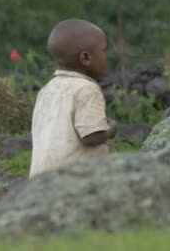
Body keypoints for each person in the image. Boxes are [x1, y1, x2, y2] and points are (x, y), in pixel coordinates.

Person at [29, 19, 117, 178]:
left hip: (39, 182)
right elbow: (91, 137)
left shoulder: (46, 90)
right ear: (86, 58)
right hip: (72, 181)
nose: (106, 57)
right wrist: (110, 130)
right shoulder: (87, 89)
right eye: (104, 51)